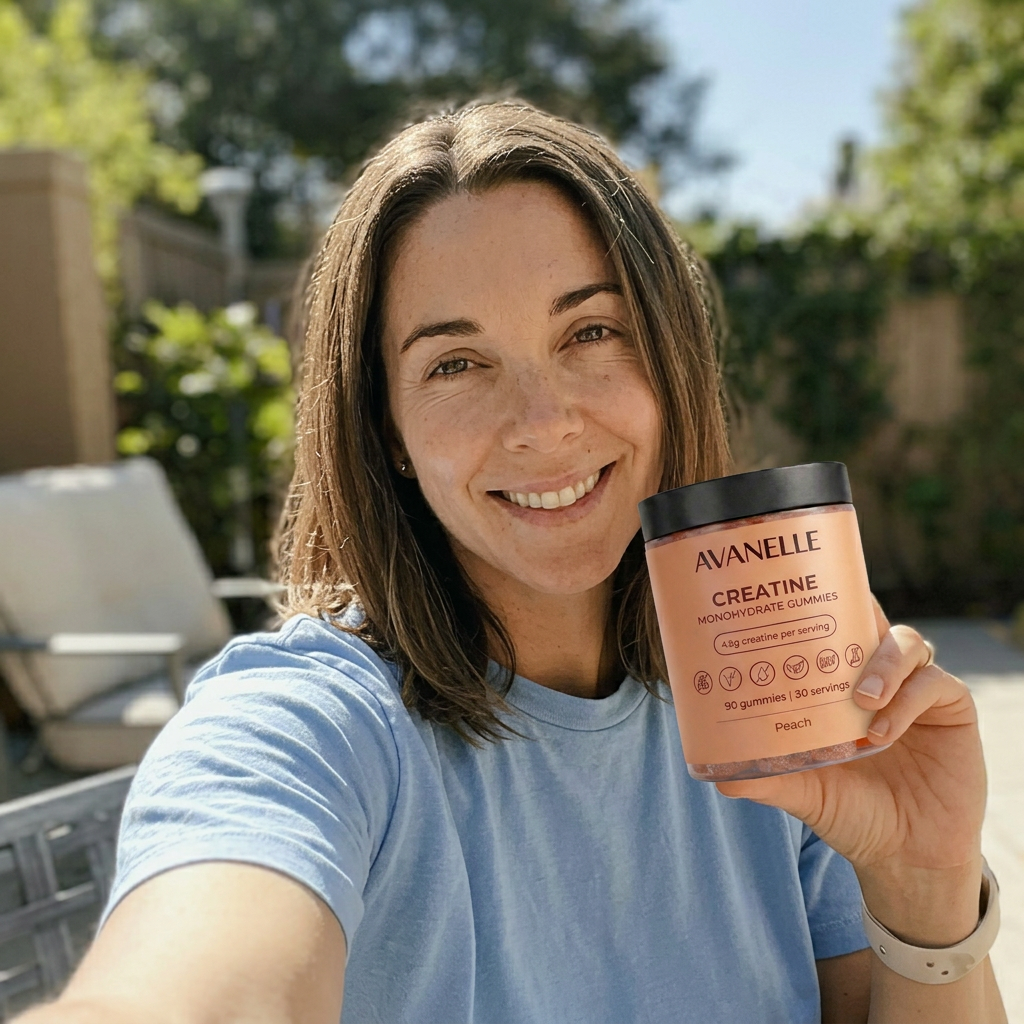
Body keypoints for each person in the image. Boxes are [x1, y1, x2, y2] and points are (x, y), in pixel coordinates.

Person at [22, 100, 1005, 1024]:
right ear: (388, 430)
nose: (543, 422)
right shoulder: (309, 726)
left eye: (591, 332)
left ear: (669, 363)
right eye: (455, 362)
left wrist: (923, 883)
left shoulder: (772, 707)